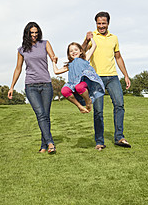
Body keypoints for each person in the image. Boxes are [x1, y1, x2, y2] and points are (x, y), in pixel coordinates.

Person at [82, 11, 131, 150]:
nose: (101, 26)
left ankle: (119, 137)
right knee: (98, 111)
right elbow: (82, 52)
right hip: (96, 78)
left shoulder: (114, 38)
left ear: (108, 23)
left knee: (119, 105)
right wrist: (86, 40)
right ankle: (99, 141)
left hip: (113, 77)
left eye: (103, 23)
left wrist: (126, 75)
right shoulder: (91, 36)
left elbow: (118, 57)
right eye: (99, 23)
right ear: (95, 23)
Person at [8, 21, 57, 154]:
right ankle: (51, 143)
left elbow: (52, 56)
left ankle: (44, 145)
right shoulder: (22, 49)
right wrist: (11, 86)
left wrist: (54, 58)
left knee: (45, 115)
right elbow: (18, 68)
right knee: (40, 114)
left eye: (36, 32)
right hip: (31, 86)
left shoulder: (45, 43)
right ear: (27, 34)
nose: (34, 35)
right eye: (31, 33)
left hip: (46, 84)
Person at [52, 38, 105, 114]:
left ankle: (88, 101)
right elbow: (56, 71)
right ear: (69, 54)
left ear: (80, 51)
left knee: (79, 87)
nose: (73, 52)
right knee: (64, 91)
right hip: (73, 84)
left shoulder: (85, 59)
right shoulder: (69, 65)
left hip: (85, 81)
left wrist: (91, 38)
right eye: (71, 51)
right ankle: (79, 106)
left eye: (76, 50)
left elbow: (94, 46)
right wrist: (54, 62)